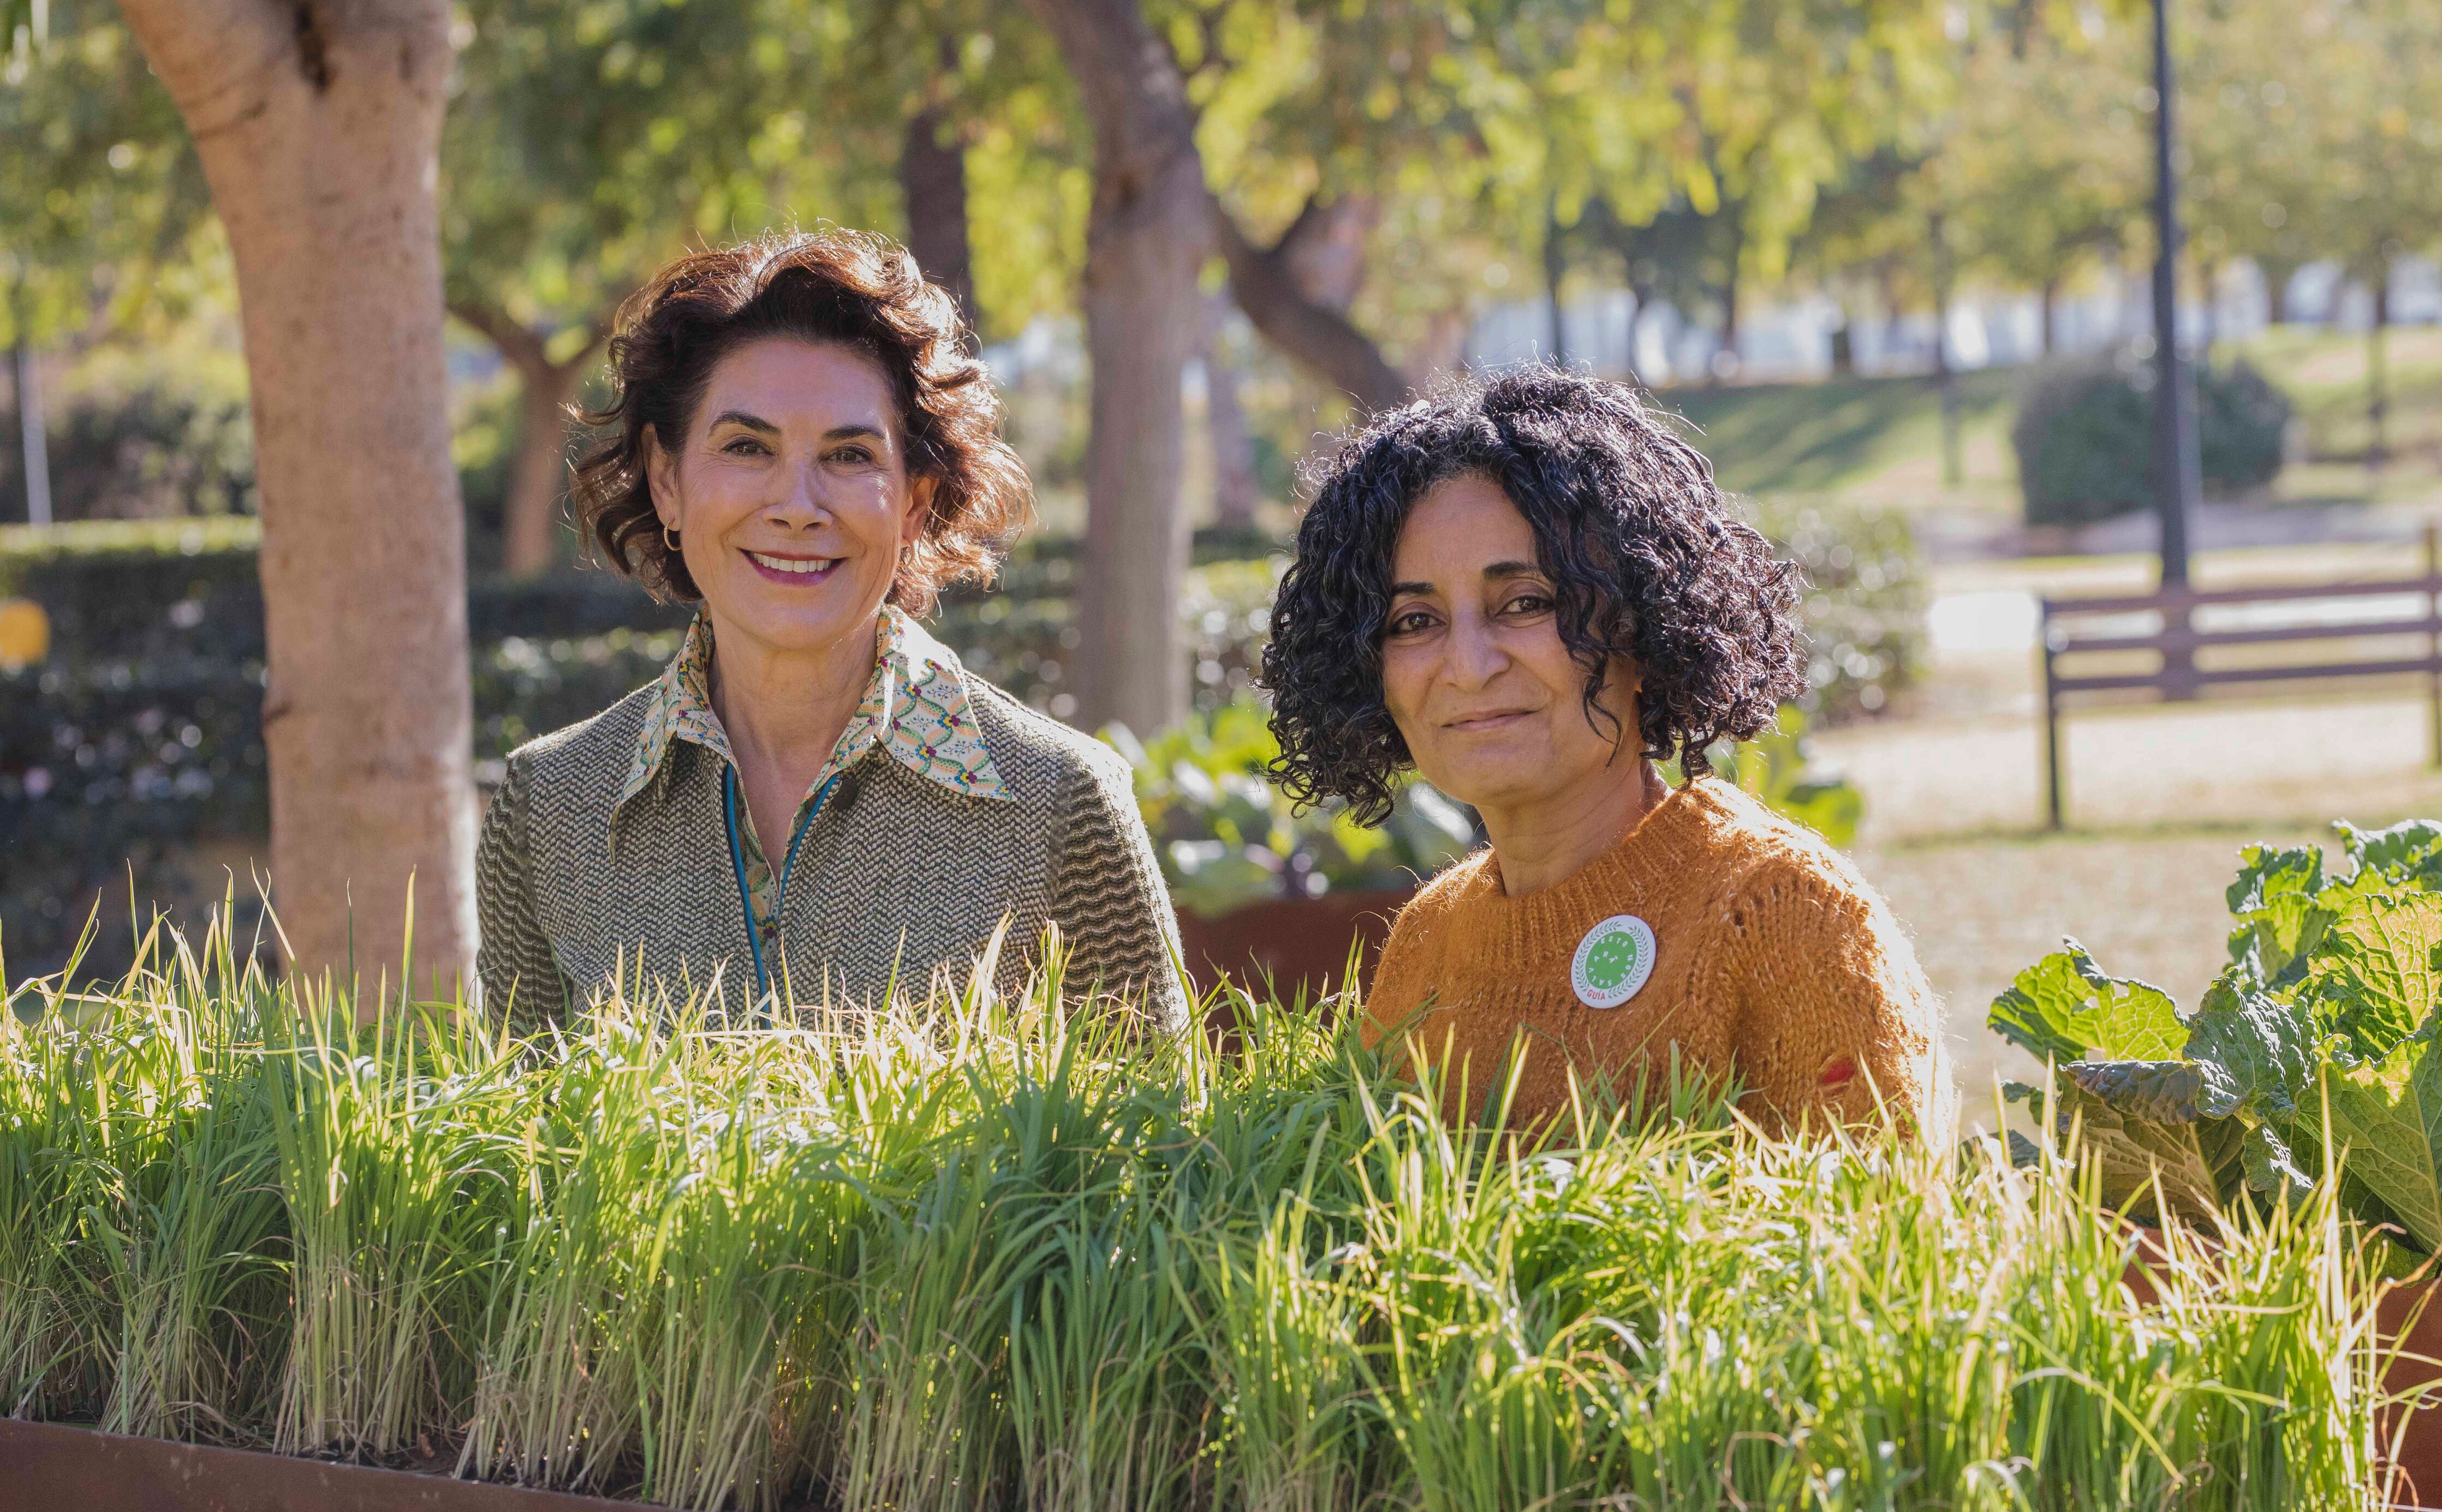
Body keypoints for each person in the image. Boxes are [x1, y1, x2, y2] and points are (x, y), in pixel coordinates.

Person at [474, 229, 1184, 1032]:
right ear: (667, 481)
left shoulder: (1060, 800)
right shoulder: (547, 808)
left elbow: (1158, 1115)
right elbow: (515, 1115)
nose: (797, 507)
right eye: (747, 447)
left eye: (849, 456)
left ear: (913, 502)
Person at [1260, 367, 1945, 1136]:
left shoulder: (1783, 916)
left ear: (1645, 624)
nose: (1469, 666)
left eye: (1526, 603)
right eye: (1415, 621)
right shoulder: (1426, 944)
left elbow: (1880, 1211)